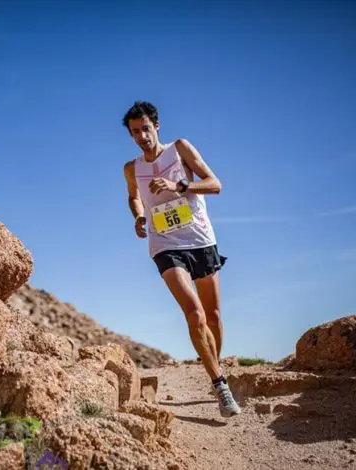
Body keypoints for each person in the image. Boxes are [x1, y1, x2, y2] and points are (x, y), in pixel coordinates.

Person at [121, 100, 241, 417]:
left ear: (156, 126)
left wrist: (180, 185)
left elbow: (215, 184)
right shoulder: (131, 168)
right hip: (164, 242)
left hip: (200, 238)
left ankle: (214, 363)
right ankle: (220, 384)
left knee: (213, 316)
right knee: (195, 314)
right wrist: (138, 216)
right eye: (135, 132)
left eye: (145, 129)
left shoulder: (180, 149)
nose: (142, 137)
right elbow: (133, 195)